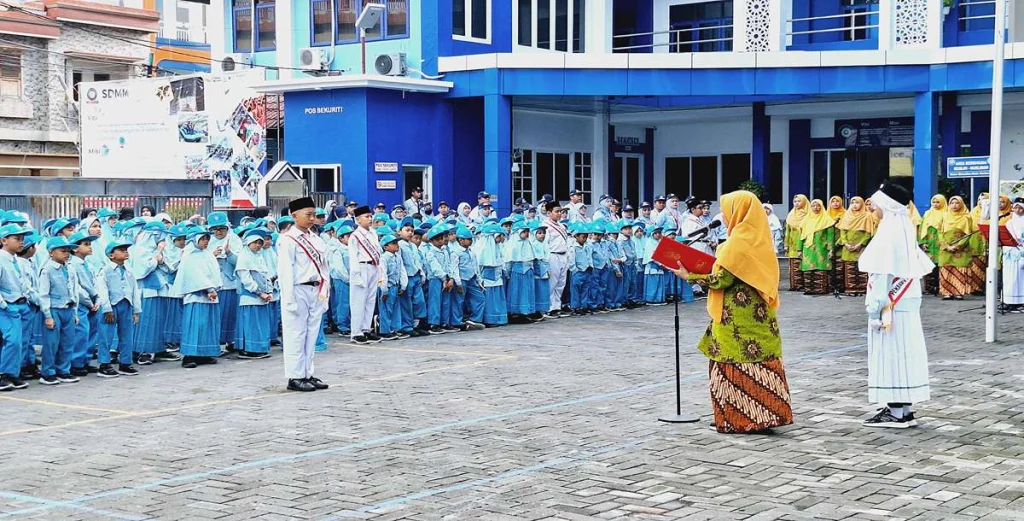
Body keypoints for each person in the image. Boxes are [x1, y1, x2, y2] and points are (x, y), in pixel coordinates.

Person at [667, 190, 792, 434]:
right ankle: (763, 416)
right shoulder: (760, 238)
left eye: (726, 210)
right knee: (759, 363)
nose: (722, 215)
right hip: (759, 317)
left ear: (739, 212)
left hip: (734, 317)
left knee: (729, 362)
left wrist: (689, 275)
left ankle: (737, 418)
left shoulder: (737, 243)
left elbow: (722, 279)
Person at [858, 182, 934, 428]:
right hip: (907, 302)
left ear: (887, 205)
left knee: (890, 354)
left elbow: (881, 274)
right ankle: (903, 408)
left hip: (891, 305)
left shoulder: (887, 233)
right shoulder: (905, 228)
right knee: (905, 353)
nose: (873, 207)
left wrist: (875, 307)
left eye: (876, 203)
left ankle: (895, 411)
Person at [278, 197, 332, 391]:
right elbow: (285, 272)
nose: (312, 219)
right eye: (308, 215)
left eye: (313, 215)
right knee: (296, 333)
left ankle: (307, 372)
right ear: (294, 216)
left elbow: (325, 267)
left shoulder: (316, 238)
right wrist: (289, 298)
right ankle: (295, 376)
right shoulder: (287, 240)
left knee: (311, 333)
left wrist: (325, 291)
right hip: (298, 288)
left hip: (316, 289)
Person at [172, 227, 222, 369]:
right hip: (195, 296)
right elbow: (195, 275)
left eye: (207, 238)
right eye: (203, 239)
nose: (206, 241)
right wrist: (209, 288)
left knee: (207, 324)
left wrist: (214, 288)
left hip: (209, 296)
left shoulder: (207, 254)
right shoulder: (190, 255)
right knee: (195, 325)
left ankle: (204, 353)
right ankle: (190, 355)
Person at [38, 236, 80, 385]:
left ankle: (64, 370)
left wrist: (75, 312)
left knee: (67, 342)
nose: (66, 253)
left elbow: (74, 291)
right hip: (54, 309)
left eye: (68, 251)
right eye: (63, 250)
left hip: (68, 309)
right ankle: (47, 372)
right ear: (51, 252)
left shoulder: (70, 268)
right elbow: (43, 294)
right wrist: (48, 315)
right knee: (51, 343)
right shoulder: (47, 269)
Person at [95, 240, 140, 377]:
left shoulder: (129, 270)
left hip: (126, 304)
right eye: (121, 249)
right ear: (111, 255)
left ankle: (125, 362)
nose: (125, 251)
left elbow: (134, 290)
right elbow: (102, 290)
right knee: (106, 335)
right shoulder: (105, 270)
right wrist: (106, 308)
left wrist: (136, 310)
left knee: (127, 334)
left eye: (126, 249)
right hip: (111, 305)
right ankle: (104, 364)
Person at [0, 224, 32, 391]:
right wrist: (4, 304)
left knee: (22, 341)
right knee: (12, 340)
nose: (21, 242)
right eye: (17, 239)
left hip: (22, 304)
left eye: (22, 239)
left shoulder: (18, 261)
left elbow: (25, 283)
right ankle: (4, 374)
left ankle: (13, 373)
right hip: (8, 306)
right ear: (4, 240)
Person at [235, 229, 274, 358]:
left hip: (262, 297)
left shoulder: (259, 257)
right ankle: (249, 349)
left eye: (260, 243)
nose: (258, 245)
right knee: (251, 324)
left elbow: (266, 275)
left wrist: (269, 291)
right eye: (255, 243)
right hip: (250, 297)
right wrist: (258, 292)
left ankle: (258, 348)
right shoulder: (244, 257)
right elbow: (246, 279)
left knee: (260, 324)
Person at [67, 231, 102, 376]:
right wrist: (88, 301)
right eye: (86, 244)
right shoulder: (72, 264)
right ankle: (76, 362)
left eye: (90, 244)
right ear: (75, 248)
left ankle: (85, 360)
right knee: (81, 332)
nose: (90, 247)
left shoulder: (88, 265)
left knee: (92, 332)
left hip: (92, 302)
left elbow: (95, 283)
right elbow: (77, 287)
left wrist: (97, 298)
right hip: (81, 303)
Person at [348, 205, 382, 345]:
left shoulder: (373, 233)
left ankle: (366, 329)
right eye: (366, 217)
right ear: (358, 220)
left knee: (370, 299)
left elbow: (378, 252)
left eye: (370, 216)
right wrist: (356, 275)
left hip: (373, 266)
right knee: (358, 301)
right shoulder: (355, 236)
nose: (370, 219)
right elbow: (353, 257)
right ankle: (356, 332)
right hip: (361, 267)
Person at [938, 196, 977, 300]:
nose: (954, 205)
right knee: (946, 269)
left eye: (957, 203)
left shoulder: (966, 217)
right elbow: (940, 232)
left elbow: (968, 234)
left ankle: (958, 292)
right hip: (946, 249)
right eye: (952, 203)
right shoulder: (944, 216)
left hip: (961, 249)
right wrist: (946, 246)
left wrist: (957, 246)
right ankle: (947, 292)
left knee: (959, 270)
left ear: (962, 204)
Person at [836, 197, 876, 295]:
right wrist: (845, 243)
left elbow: (868, 232)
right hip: (847, 247)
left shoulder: (867, 216)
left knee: (861, 267)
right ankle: (850, 289)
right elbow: (842, 231)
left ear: (861, 204)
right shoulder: (846, 215)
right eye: (852, 202)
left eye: (857, 202)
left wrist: (860, 244)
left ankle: (862, 289)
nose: (854, 205)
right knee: (849, 268)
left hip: (861, 247)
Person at [798, 199, 836, 295]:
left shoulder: (827, 220)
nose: (816, 208)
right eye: (813, 206)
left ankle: (820, 289)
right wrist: (799, 249)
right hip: (808, 248)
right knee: (808, 269)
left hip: (821, 248)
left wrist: (831, 249)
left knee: (821, 268)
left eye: (818, 205)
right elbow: (801, 236)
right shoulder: (806, 220)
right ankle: (809, 289)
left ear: (822, 206)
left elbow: (830, 236)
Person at [452, 228, 486, 330]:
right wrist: (458, 283)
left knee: (479, 298)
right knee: (459, 301)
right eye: (468, 239)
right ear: (461, 240)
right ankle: (457, 322)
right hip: (462, 279)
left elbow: (476, 267)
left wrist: (479, 280)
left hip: (472, 279)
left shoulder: (471, 252)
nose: (470, 241)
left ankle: (474, 320)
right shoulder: (456, 252)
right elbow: (454, 268)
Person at [377, 234, 405, 340]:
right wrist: (384, 290)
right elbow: (382, 274)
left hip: (395, 286)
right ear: (385, 247)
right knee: (386, 309)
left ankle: (394, 329)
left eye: (397, 243)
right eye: (393, 243)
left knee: (395, 309)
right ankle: (385, 331)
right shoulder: (383, 258)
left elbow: (402, 271)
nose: (397, 245)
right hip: (387, 287)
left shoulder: (398, 257)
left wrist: (403, 285)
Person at [918, 194, 946, 296]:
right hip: (930, 241)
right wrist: (923, 242)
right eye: (934, 202)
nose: (935, 204)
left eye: (938, 202)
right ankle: (930, 288)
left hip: (941, 241)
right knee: (930, 265)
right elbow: (922, 228)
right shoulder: (927, 213)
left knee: (941, 265)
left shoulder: (946, 213)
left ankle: (941, 287)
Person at [328, 224, 352, 337]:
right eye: (348, 236)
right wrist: (347, 279)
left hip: (351, 280)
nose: (351, 238)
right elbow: (339, 268)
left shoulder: (352, 249)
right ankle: (342, 326)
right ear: (341, 238)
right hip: (342, 280)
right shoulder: (338, 250)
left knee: (351, 303)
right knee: (343, 303)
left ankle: (349, 324)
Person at [1002, 198, 1024, 312]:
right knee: (1009, 278)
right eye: (1015, 207)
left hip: (1021, 253)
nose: (1017, 210)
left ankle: (1020, 301)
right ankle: (1008, 301)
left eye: (1020, 208)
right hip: (1010, 253)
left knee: (1019, 279)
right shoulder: (1009, 222)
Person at [784, 195, 809, 291]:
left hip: (805, 242)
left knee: (804, 263)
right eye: (795, 201)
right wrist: (786, 244)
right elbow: (787, 231)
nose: (797, 203)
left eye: (799, 201)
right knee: (794, 265)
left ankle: (805, 285)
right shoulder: (791, 215)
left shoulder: (808, 215)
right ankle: (794, 285)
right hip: (793, 244)